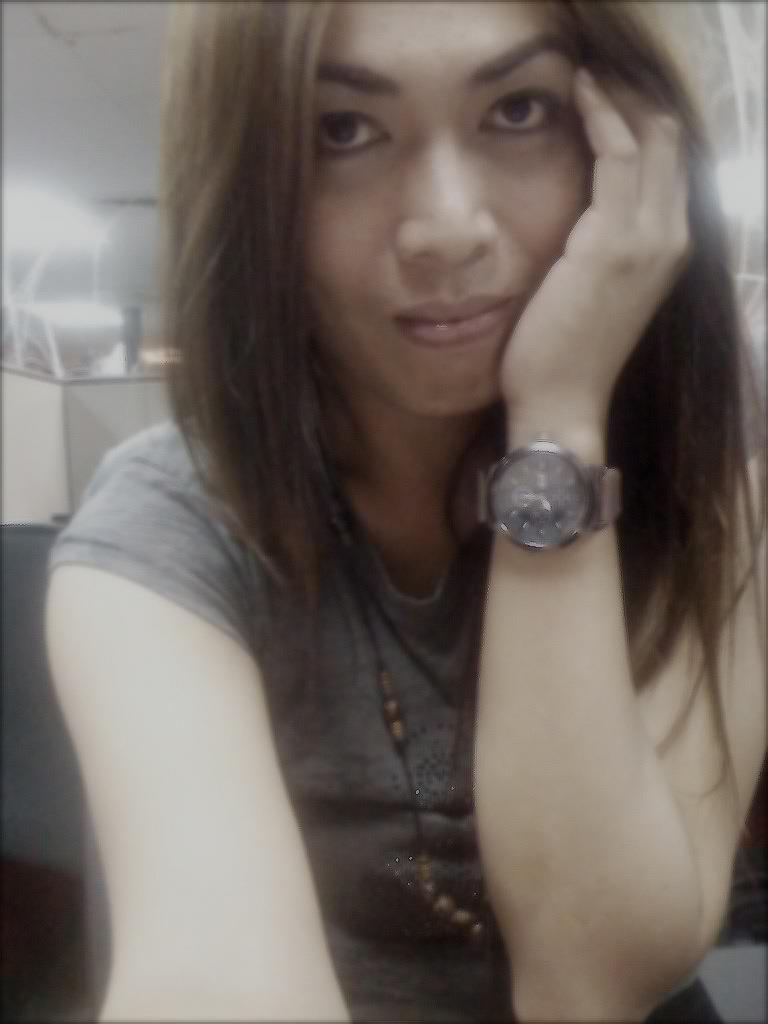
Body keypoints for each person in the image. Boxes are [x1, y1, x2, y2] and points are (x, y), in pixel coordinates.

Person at [45, 2, 766, 1021]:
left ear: (633, 151)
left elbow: (591, 983)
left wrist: (557, 419)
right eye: (343, 130)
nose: (447, 228)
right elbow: (207, 975)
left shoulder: (712, 476)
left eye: (518, 110)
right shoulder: (169, 529)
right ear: (252, 183)